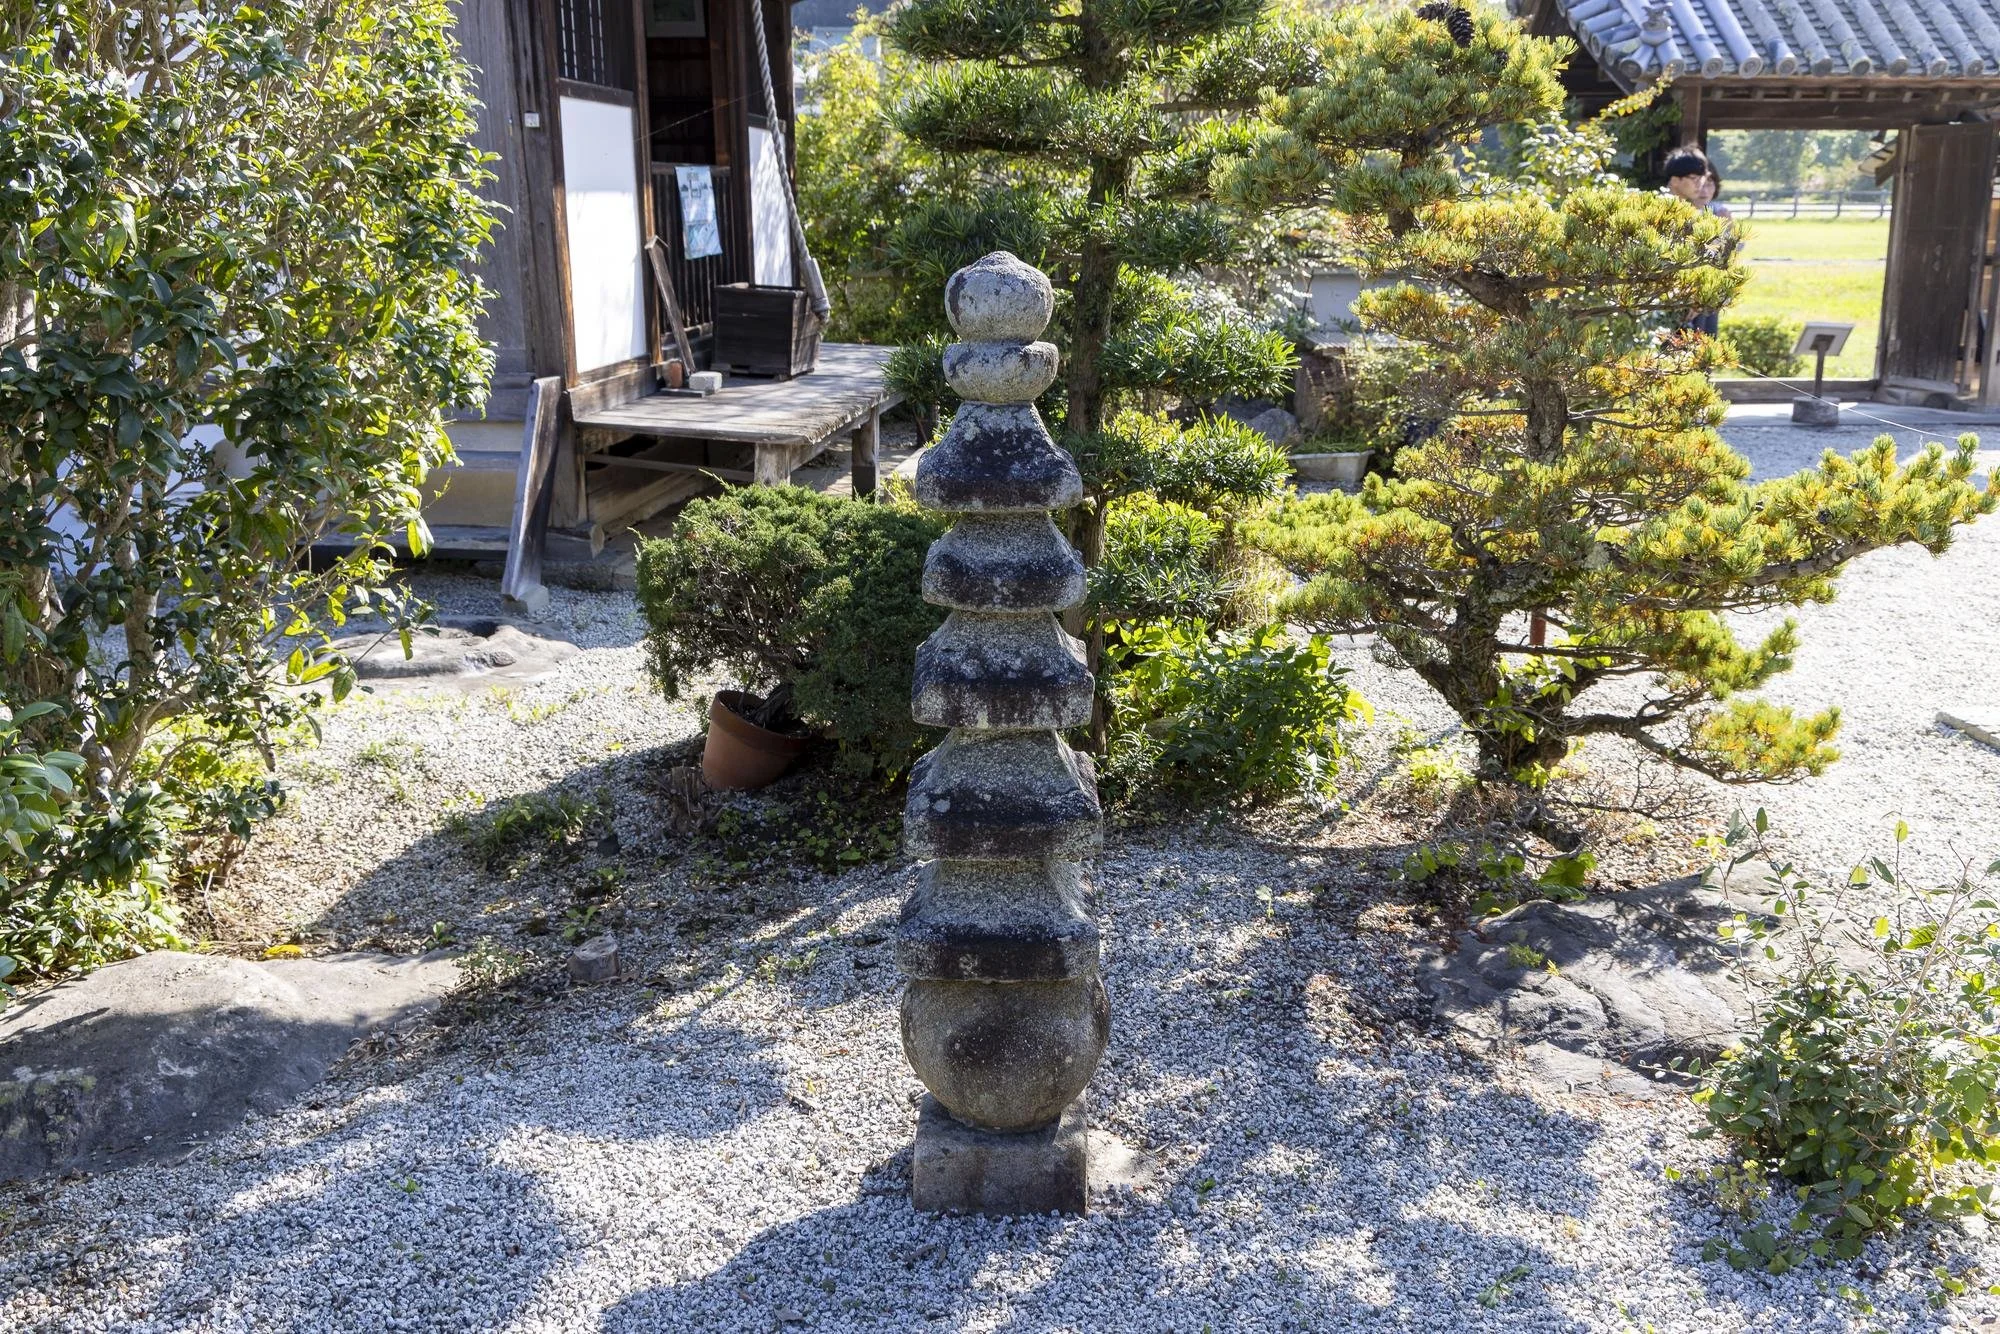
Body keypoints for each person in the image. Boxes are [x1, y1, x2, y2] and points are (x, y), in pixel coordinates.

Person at [1663, 146, 1721, 336]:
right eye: (1694, 179)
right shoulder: (1660, 211)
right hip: (1667, 299)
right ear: (1675, 180)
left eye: (1702, 179)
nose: (1700, 185)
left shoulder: (1698, 213)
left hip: (1699, 298)